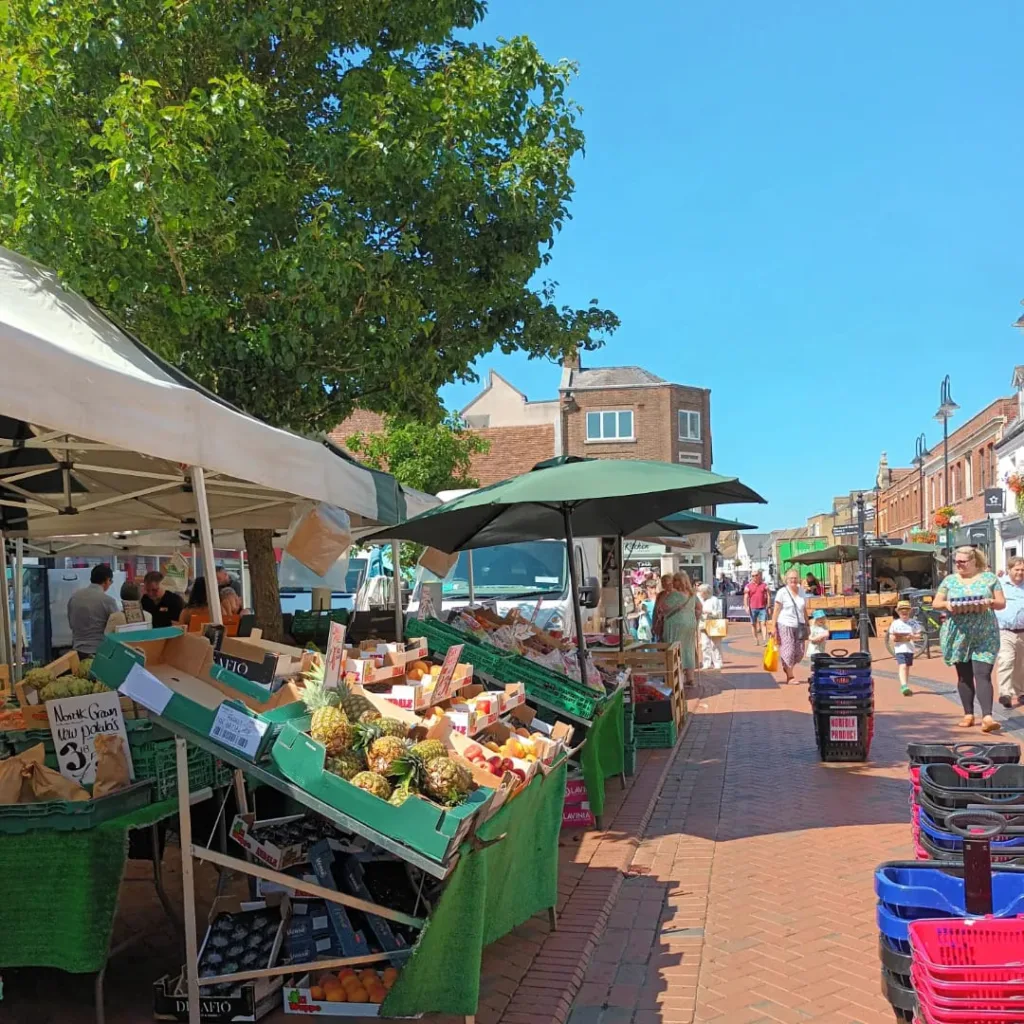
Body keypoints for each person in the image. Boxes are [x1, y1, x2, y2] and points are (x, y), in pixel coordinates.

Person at [933, 546, 1006, 733]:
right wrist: (947, 604)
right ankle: (968, 713)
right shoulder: (949, 580)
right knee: (964, 675)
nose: (959, 565)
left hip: (984, 632)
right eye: (956, 561)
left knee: (983, 673)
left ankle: (988, 717)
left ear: (974, 561)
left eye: (962, 562)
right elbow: (936, 603)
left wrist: (989, 602)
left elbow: (1001, 603)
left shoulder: (989, 578)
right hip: (959, 633)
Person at [67, 564, 119, 657]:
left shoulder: (74, 597)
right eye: (111, 581)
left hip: (76, 651)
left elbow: (71, 623)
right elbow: (116, 627)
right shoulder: (108, 601)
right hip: (99, 652)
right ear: (107, 580)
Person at [770, 569, 810, 684]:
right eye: (791, 578)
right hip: (785, 624)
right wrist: (773, 626)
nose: (793, 580)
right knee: (789, 650)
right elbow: (776, 610)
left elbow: (803, 610)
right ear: (786, 580)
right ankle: (790, 676)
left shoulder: (802, 591)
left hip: (799, 625)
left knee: (800, 652)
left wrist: (808, 624)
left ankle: (787, 667)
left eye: (795, 578)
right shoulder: (782, 592)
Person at [662, 572, 701, 686]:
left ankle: (677, 678)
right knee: (688, 649)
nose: (673, 582)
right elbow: (699, 608)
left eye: (675, 580)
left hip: (675, 625)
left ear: (680, 581)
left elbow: (663, 608)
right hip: (690, 623)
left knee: (674, 649)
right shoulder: (692, 594)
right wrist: (694, 619)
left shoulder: (674, 595)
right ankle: (690, 678)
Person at [996, 555, 1024, 709]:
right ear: (1009, 569)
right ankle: (1005, 693)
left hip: (1023, 632)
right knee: (1006, 660)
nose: (1020, 572)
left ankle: (1020, 692)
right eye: (1017, 569)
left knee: (1020, 664)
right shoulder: (1000, 584)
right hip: (1005, 631)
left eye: (1022, 570)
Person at [889, 599, 922, 697]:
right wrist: (895, 638)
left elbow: (919, 635)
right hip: (900, 648)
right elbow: (891, 635)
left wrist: (912, 637)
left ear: (910, 611)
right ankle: (903, 686)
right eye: (902, 610)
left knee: (907, 667)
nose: (904, 612)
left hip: (910, 648)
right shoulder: (895, 623)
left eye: (906, 610)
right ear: (898, 611)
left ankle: (905, 685)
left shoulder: (913, 623)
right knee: (902, 666)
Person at [697, 582, 723, 670]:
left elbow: (719, 613)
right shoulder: (699, 599)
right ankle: (706, 663)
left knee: (715, 644)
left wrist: (710, 612)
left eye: (701, 592)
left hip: (713, 624)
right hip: (703, 624)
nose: (700, 593)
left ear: (706, 592)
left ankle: (717, 662)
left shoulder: (714, 599)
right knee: (705, 645)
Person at [744, 570, 771, 645]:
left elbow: (769, 595)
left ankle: (765, 640)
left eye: (756, 575)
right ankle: (756, 639)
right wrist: (746, 607)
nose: (754, 577)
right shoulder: (748, 586)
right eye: (753, 576)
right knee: (753, 624)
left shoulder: (764, 585)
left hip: (762, 608)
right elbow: (746, 597)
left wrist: (769, 606)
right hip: (752, 608)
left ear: (759, 575)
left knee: (763, 624)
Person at [650, 574, 674, 642]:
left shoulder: (675, 594)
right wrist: (653, 624)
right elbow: (655, 611)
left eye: (666, 582)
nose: (663, 584)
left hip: (672, 625)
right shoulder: (660, 595)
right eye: (662, 582)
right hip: (661, 624)